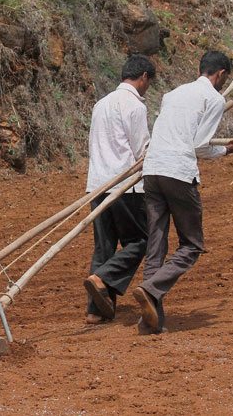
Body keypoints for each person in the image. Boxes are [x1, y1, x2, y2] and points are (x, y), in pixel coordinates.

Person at [133, 51, 233, 334]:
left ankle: (150, 322)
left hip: (152, 170)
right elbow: (200, 146)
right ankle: (151, 288)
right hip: (178, 171)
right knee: (192, 244)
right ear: (221, 74)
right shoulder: (214, 99)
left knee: (156, 244)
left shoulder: (173, 94)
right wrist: (226, 151)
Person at [83, 55, 155, 325]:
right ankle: (102, 278)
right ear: (144, 77)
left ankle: (95, 311)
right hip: (126, 186)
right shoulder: (135, 106)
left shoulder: (100, 104)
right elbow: (142, 150)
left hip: (97, 184)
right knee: (141, 240)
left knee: (104, 246)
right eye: (149, 82)